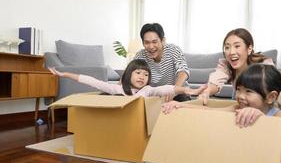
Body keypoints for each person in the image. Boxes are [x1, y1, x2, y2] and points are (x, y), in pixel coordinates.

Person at [162, 64, 281, 127]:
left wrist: (260, 117)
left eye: (248, 91)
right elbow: (210, 111)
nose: (240, 96)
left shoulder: (277, 115)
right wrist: (180, 105)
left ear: (271, 97)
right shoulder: (238, 108)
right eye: (239, 89)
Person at [48, 59, 205, 98]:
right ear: (129, 73)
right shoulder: (117, 89)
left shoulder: (148, 90)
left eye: (146, 74)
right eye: (138, 73)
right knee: (104, 95)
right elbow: (91, 81)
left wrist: (190, 90)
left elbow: (167, 88)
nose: (142, 77)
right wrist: (64, 74)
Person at [199, 28, 276, 105]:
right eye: (227, 47)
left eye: (237, 46)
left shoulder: (264, 65)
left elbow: (270, 91)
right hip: (240, 98)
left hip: (263, 101)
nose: (231, 52)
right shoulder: (226, 65)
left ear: (249, 49)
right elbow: (215, 81)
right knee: (237, 93)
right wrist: (207, 92)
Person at [134, 23, 190, 102]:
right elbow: (128, 74)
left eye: (154, 42)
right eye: (147, 42)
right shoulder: (140, 55)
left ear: (163, 40)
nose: (151, 46)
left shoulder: (173, 50)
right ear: (143, 43)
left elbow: (183, 71)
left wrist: (174, 91)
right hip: (154, 94)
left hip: (177, 92)